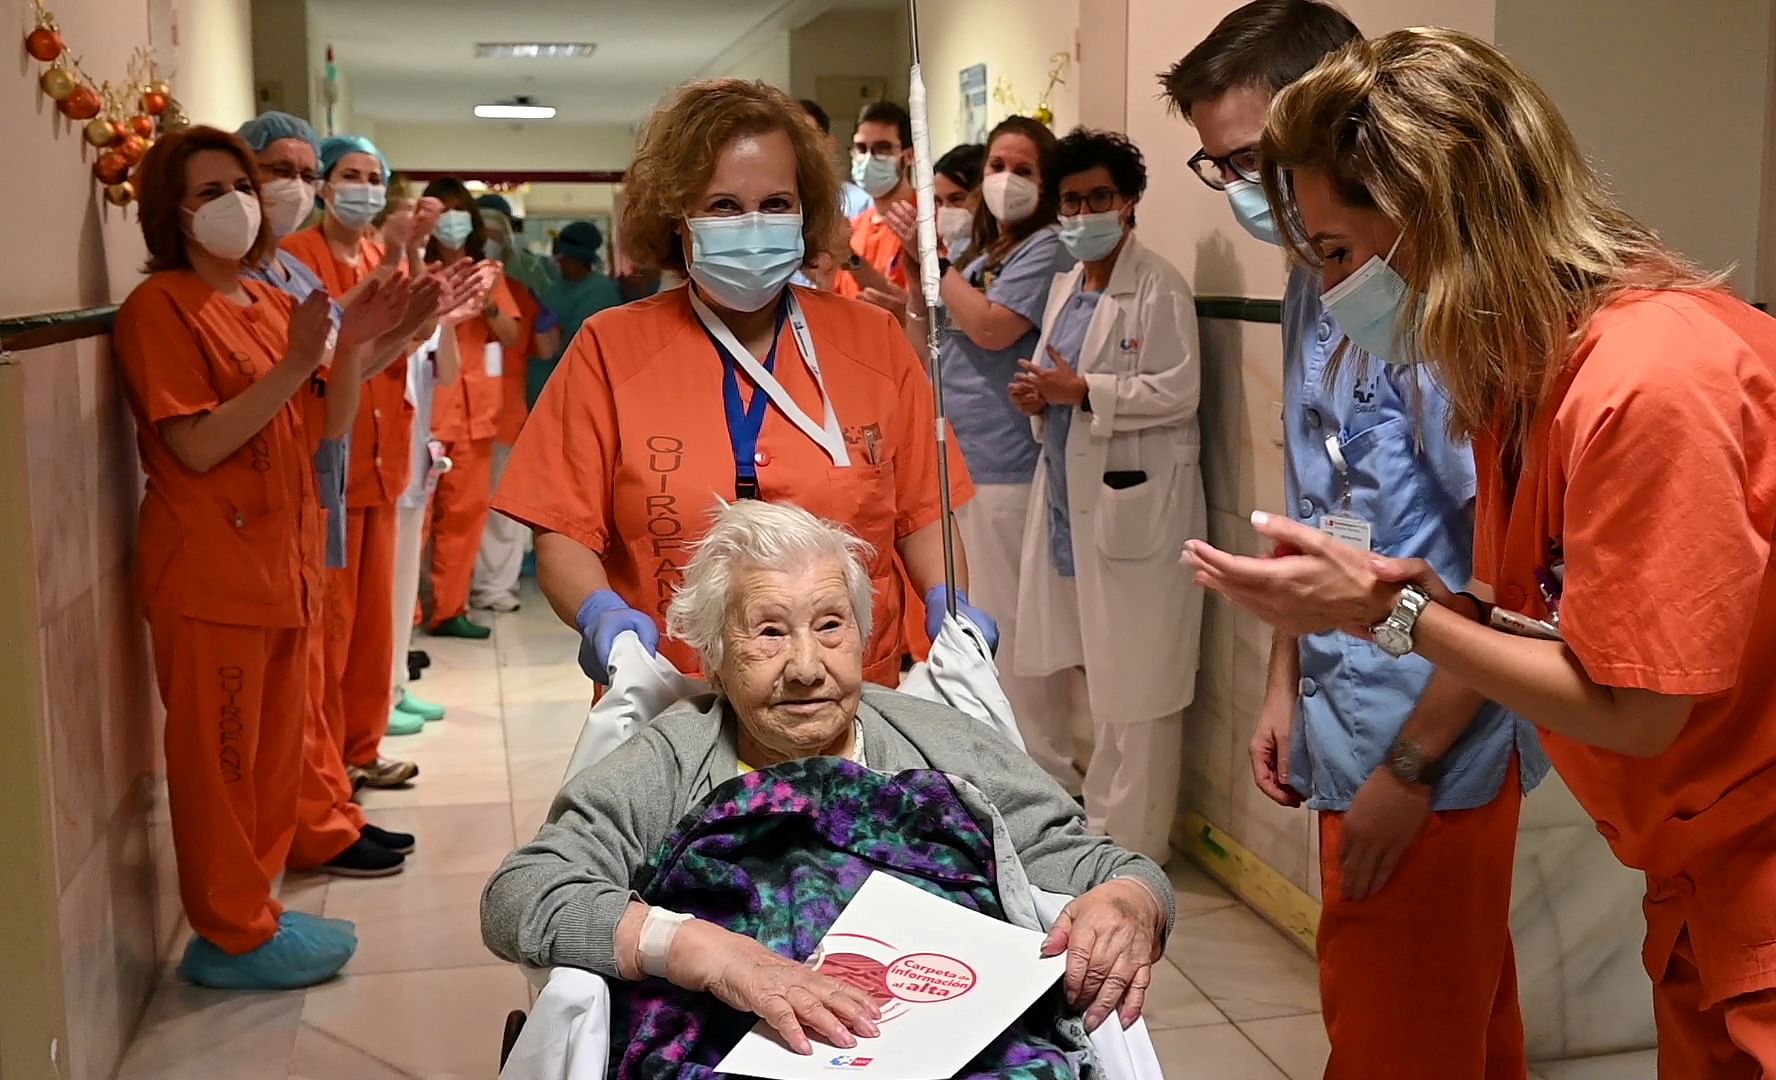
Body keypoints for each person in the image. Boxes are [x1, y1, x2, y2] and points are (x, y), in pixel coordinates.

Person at [1183, 26, 1776, 1078]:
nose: (1333, 291)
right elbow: (1527, 598)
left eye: (1340, 252)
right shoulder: (1526, 386)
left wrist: (1394, 620)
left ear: (1443, 213)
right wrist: (1409, 601)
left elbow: (1637, 709)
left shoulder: (1649, 379)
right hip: (1701, 872)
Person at [1163, 7, 1549, 1077]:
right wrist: (1286, 685)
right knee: (1462, 1019)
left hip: (1431, 745)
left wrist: (1414, 768)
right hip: (1350, 716)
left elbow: (1504, 581)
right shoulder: (1315, 282)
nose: (1246, 186)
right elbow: (1320, 507)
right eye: (1222, 164)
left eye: (1254, 157)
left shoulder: (1431, 311)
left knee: (1395, 1039)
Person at [482, 500, 1174, 1061]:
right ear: (716, 657)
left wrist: (1131, 902)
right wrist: (703, 950)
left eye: (830, 625)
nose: (807, 666)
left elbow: (1101, 865)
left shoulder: (943, 743)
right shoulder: (667, 762)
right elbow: (521, 896)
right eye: (770, 633)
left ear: (863, 637)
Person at [493, 77, 990, 691]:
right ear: (678, 217)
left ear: (806, 212)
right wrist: (602, 614)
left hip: (848, 694)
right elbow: (563, 531)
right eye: (725, 206)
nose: (753, 225)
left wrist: (948, 599)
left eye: (777, 204)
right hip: (670, 694)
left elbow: (923, 514)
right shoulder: (609, 349)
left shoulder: (874, 343)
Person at [111, 126, 414, 987]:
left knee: (273, 762)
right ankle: (230, 934)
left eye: (238, 184)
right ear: (171, 211)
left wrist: (350, 348)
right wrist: (295, 363)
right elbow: (197, 446)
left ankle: (260, 911)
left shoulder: (267, 301)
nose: (235, 204)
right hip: (210, 577)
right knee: (224, 762)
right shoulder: (160, 308)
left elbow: (326, 423)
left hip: (280, 569)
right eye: (209, 192)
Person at [236, 111, 455, 875]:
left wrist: (414, 312)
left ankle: (339, 787)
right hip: (297, 487)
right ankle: (319, 812)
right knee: (316, 660)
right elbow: (326, 355)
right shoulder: (282, 265)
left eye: (307, 170)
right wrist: (395, 265)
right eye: (279, 171)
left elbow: (343, 362)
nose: (296, 188)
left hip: (349, 463)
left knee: (352, 639)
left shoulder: (276, 274)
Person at [1005, 127, 1205, 863]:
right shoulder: (1067, 284)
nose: (1083, 211)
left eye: (1099, 197)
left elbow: (1180, 392)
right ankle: (1100, 830)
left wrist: (1083, 389)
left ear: (1129, 204)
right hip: (1069, 499)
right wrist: (1041, 399)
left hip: (1137, 507)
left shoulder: (1159, 284)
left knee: (1140, 685)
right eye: (1071, 200)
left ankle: (1137, 849)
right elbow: (1060, 382)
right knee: (1098, 671)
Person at [895, 115, 1073, 763]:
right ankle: (993, 759)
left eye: (1023, 169)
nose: (1004, 180)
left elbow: (995, 329)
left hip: (1007, 464)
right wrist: (922, 283)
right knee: (974, 619)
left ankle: (1040, 770)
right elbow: (927, 350)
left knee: (1012, 631)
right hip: (961, 458)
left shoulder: (1045, 247)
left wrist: (937, 266)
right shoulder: (983, 254)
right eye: (997, 165)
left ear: (1047, 182)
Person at [282, 133, 437, 788]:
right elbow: (327, 345)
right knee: (335, 626)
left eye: (374, 176)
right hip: (329, 462)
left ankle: (362, 746)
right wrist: (398, 257)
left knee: (373, 624)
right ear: (323, 184)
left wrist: (414, 271)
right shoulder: (300, 255)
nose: (365, 187)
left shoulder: (377, 251)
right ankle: (331, 761)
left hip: (380, 458)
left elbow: (408, 336)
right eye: (350, 173)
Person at [422, 177, 523, 640]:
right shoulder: (414, 270)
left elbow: (511, 336)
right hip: (424, 411)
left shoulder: (489, 273)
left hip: (476, 413)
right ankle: (408, 614)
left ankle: (450, 609)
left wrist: (486, 305)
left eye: (458, 209)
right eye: (442, 210)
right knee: (417, 518)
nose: (451, 219)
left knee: (465, 518)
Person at [471, 205, 552, 615]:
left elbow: (544, 345)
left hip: (504, 415)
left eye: (493, 232)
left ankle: (494, 588)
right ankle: (450, 592)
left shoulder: (520, 291)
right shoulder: (445, 284)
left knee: (500, 513)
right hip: (453, 418)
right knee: (455, 511)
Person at [532, 220, 623, 405]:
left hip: (572, 391)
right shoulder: (558, 286)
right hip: (541, 385)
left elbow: (581, 344)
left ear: (577, 257)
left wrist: (550, 333)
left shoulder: (600, 292)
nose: (558, 259)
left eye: (563, 255)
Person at [833, 101, 915, 307]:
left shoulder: (925, 222)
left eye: (883, 148)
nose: (869, 159)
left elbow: (900, 307)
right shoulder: (856, 227)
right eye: (861, 148)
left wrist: (848, 257)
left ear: (909, 156)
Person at [798, 97, 873, 222]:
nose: (801, 146)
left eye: (809, 136)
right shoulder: (773, 204)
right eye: (793, 138)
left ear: (829, 143)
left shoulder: (860, 203)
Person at [476, 192, 558, 297]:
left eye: (496, 232)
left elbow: (544, 303)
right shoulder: (460, 266)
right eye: (483, 230)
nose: (489, 239)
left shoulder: (528, 267)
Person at [932, 142, 985, 263]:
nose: (945, 210)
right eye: (939, 201)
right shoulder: (952, 252)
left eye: (956, 199)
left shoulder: (997, 258)